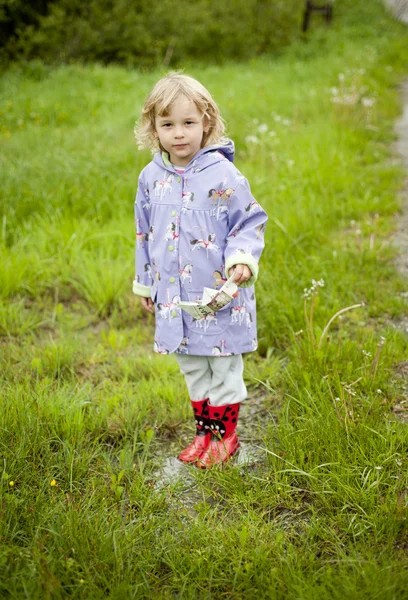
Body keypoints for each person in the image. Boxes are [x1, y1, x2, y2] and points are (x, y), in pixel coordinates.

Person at [133, 72, 267, 468]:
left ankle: (227, 438)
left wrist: (241, 260)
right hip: (174, 298)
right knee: (192, 364)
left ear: (207, 122)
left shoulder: (223, 175)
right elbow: (144, 233)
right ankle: (204, 434)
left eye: (188, 123)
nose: (178, 134)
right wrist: (146, 286)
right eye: (168, 124)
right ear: (153, 127)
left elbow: (249, 221)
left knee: (222, 366)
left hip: (217, 294)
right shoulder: (150, 179)